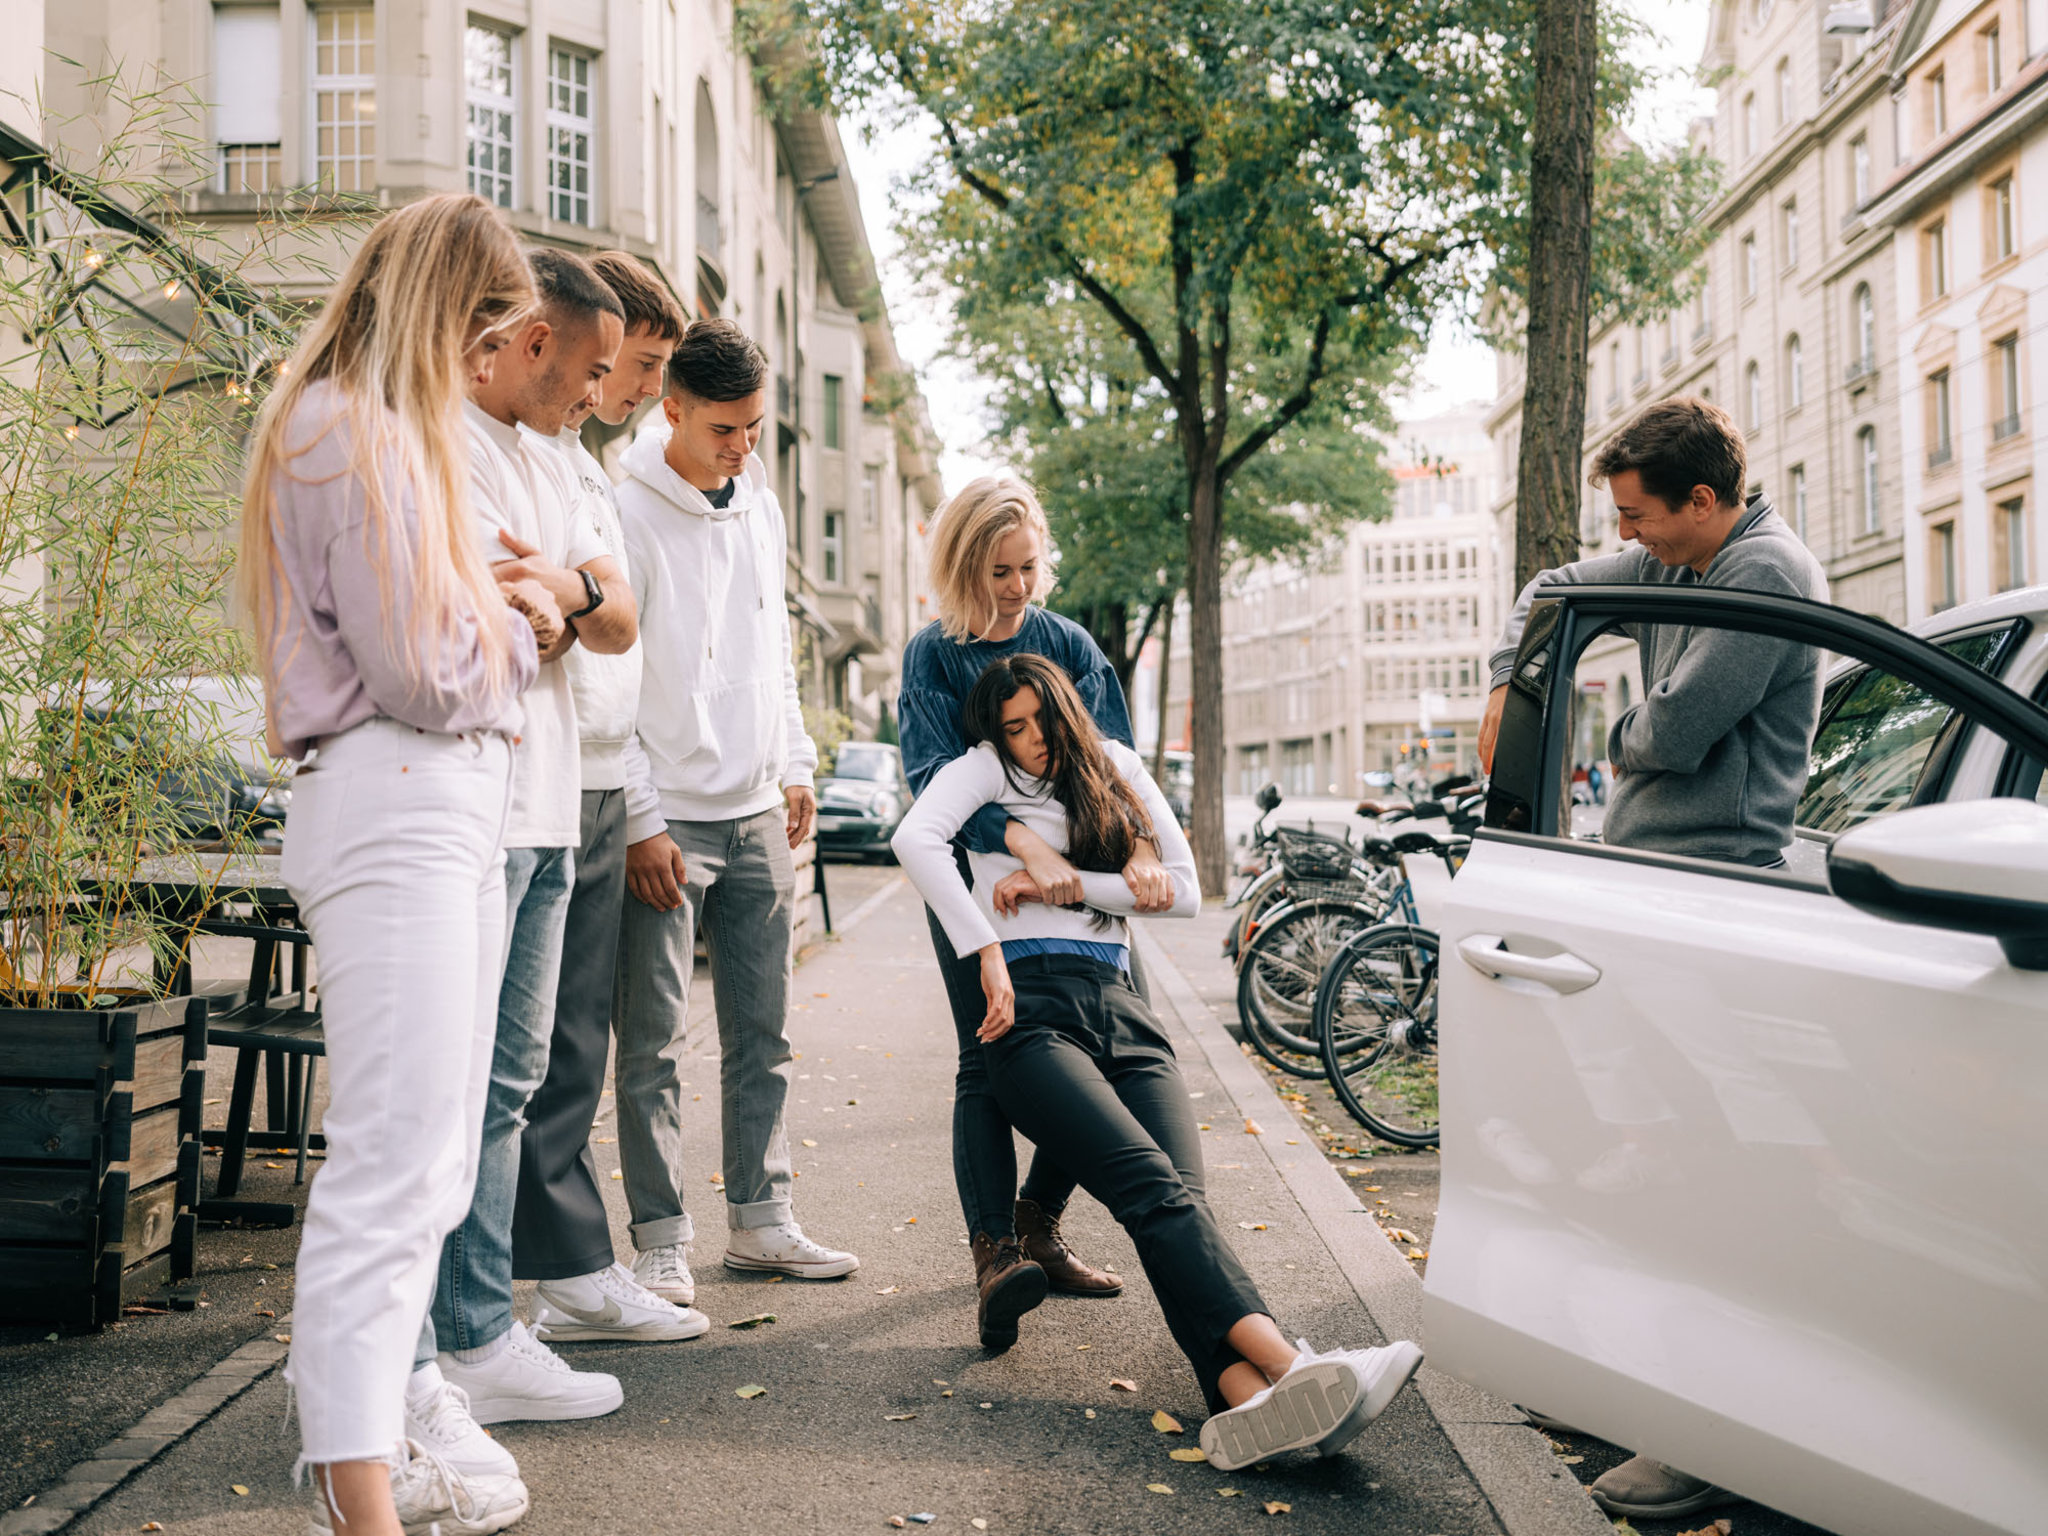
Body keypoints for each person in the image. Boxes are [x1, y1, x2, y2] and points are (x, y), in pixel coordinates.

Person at [892, 654, 1425, 1469]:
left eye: (1040, 720)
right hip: (1030, 1015)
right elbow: (915, 836)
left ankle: (1250, 1408)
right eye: (1013, 727)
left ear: (1068, 711)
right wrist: (985, 948)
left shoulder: (1117, 769)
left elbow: (1184, 891)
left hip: (1122, 1005)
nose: (1030, 740)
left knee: (1184, 1206)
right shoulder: (979, 771)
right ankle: (1295, 1368)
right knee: (1149, 1186)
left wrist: (1063, 889)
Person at [239, 192, 546, 1535]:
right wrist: (525, 616)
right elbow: (430, 671)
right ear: (447, 311)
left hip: (426, 804)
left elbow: (428, 645)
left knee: (423, 1166)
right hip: (407, 796)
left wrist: (490, 608)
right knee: (394, 1165)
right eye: (486, 331)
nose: (486, 365)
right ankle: (359, 1498)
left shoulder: (345, 425)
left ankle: (365, 1463)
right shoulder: (357, 433)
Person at [1477, 394, 1826, 1522]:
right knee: (1644, 1166)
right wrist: (1506, 682)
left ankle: (1704, 1435)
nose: (1624, 537)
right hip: (1653, 890)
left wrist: (1610, 738)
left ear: (1704, 502)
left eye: (1637, 518)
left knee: (1701, 1184)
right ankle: (1640, 1387)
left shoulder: (1763, 574)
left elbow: (1669, 735)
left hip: (1716, 896)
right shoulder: (1676, 558)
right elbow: (1548, 595)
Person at [415, 248, 642, 1453]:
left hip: (552, 804)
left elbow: (610, 613)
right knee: (442, 1096)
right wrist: (556, 596)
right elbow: (494, 604)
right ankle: (425, 1355)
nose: (601, 393)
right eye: (592, 369)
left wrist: (564, 584)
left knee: (509, 1085)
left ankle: (475, 1329)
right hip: (475, 812)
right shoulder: (444, 438)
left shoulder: (555, 462)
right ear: (535, 343)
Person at [612, 318, 857, 1298]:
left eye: (755, 428)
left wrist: (796, 761)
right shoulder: (623, 510)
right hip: (668, 815)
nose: (743, 447)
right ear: (670, 407)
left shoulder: (757, 505)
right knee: (656, 1045)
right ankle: (660, 1242)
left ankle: (760, 1220)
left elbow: (773, 649)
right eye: (725, 428)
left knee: (765, 1032)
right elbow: (608, 682)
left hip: (759, 807)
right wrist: (639, 816)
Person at [896, 477, 1165, 1348]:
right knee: (989, 1055)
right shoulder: (932, 657)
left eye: (1027, 567)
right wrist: (1022, 844)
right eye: (997, 571)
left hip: (1083, 887)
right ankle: (996, 1255)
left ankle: (1041, 1221)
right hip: (973, 886)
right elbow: (930, 781)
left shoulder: (1070, 645)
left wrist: (1143, 848)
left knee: (1108, 1051)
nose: (1015, 588)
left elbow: (1113, 765)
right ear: (963, 565)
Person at [509, 251, 703, 1345]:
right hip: (556, 775)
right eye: (633, 364)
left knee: (570, 1041)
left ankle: (568, 1272)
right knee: (544, 1046)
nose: (626, 390)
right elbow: (579, 614)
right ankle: (559, 1276)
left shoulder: (584, 459)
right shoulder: (545, 451)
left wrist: (582, 597)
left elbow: (616, 622)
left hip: (592, 772)